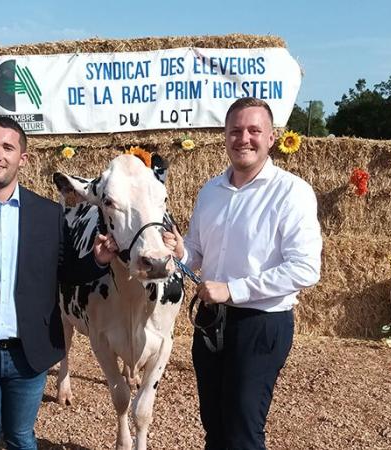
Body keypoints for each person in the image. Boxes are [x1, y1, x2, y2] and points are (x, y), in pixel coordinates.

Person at [0, 117, 117, 450]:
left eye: (8, 147)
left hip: (29, 353)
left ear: (22, 158)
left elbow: (67, 273)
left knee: (21, 438)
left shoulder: (47, 215)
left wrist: (97, 261)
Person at [165, 97, 322, 449]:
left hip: (260, 323)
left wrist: (233, 290)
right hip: (211, 320)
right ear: (225, 136)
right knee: (215, 425)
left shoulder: (291, 192)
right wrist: (179, 251)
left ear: (271, 138)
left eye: (254, 130)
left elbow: (306, 268)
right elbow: (197, 253)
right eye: (235, 131)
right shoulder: (210, 191)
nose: (244, 138)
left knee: (243, 432)